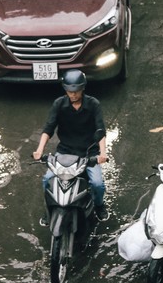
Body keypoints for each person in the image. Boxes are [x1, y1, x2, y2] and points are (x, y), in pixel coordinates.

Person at [32, 69, 109, 222]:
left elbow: (100, 130)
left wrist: (102, 153)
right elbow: (48, 128)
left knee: (97, 184)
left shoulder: (93, 104)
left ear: (83, 88)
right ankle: (49, 210)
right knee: (47, 179)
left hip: (88, 153)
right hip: (65, 152)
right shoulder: (59, 104)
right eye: (70, 91)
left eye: (76, 91)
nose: (73, 94)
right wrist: (39, 150)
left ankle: (99, 206)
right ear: (65, 90)